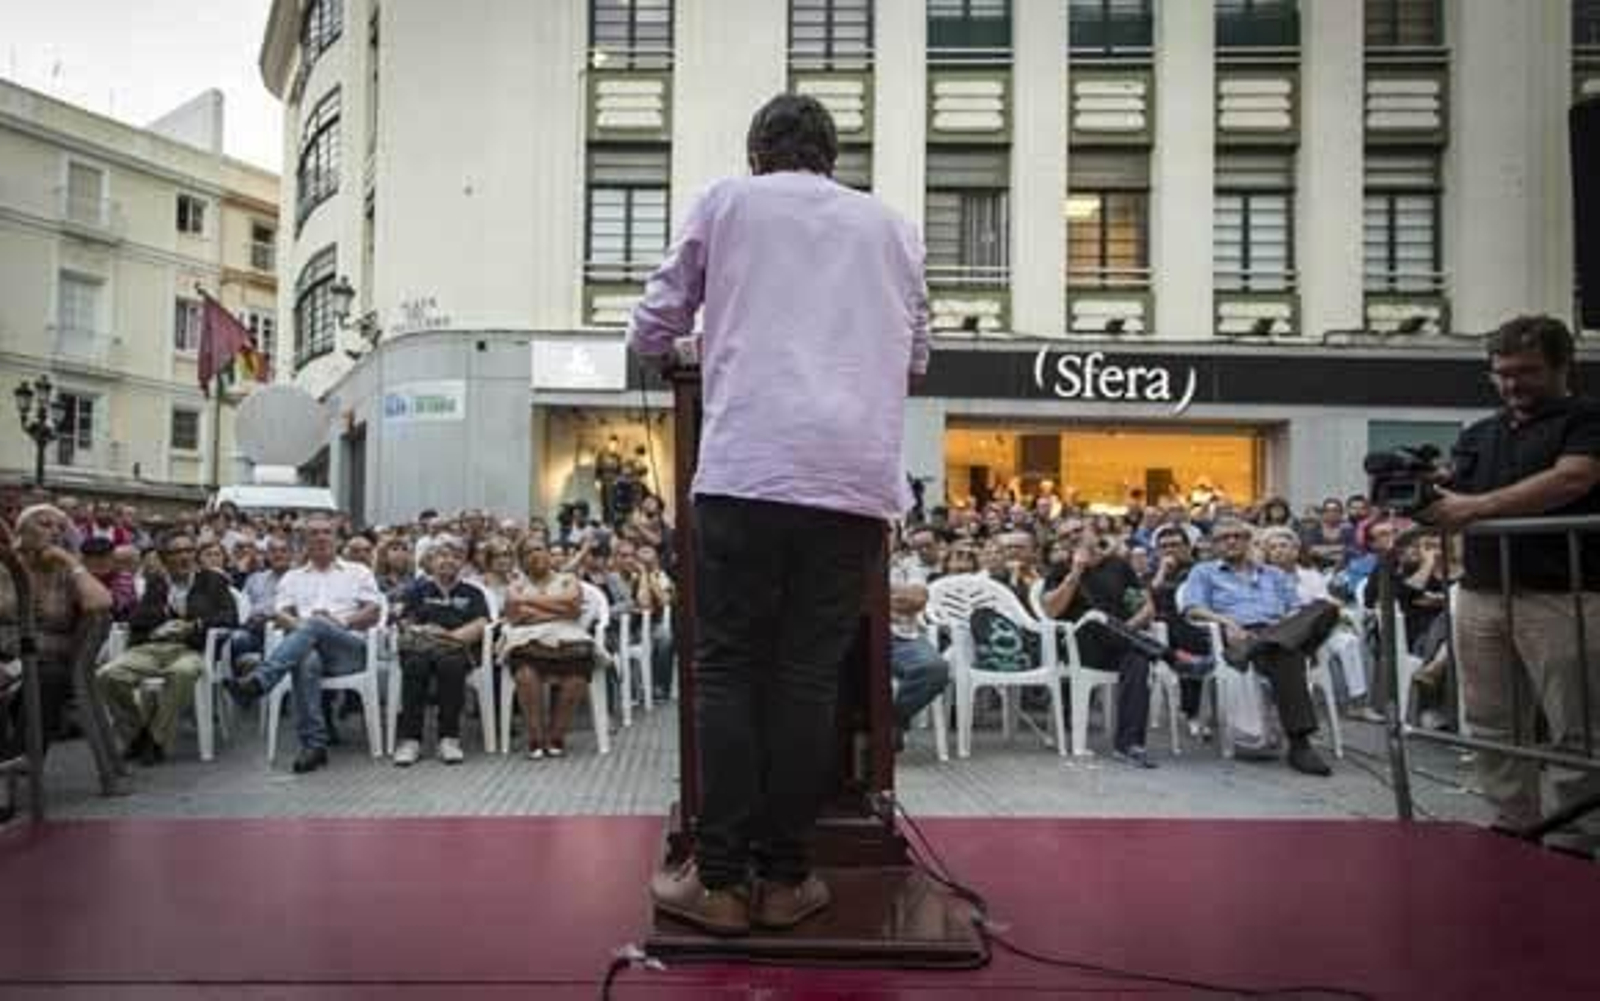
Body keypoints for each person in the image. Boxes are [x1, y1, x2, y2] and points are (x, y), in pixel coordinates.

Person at [630, 93, 926, 935]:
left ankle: (719, 883)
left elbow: (654, 322)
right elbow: (917, 352)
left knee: (727, 669)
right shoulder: (893, 227)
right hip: (850, 484)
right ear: (831, 157)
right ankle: (788, 878)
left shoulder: (727, 202)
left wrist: (675, 349)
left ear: (758, 153)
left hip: (747, 470)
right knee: (806, 675)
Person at [1420, 315, 1600, 842]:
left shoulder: (1587, 419)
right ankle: (1513, 824)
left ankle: (1576, 836)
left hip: (1565, 594)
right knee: (1492, 722)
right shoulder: (1481, 433)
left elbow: (1575, 477)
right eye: (1500, 373)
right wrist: (1423, 493)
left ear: (1563, 366)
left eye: (1526, 371)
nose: (1511, 384)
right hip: (1482, 594)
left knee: (1578, 728)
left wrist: (1476, 508)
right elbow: (1450, 494)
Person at [1179, 517, 1339, 777]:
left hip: (1278, 631)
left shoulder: (1273, 573)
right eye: (1223, 538)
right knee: (1286, 654)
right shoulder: (1204, 572)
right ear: (1214, 545)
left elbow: (1295, 608)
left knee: (1325, 608)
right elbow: (1192, 608)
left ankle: (1261, 646)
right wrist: (1226, 622)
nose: (1231, 541)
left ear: (1248, 541)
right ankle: (1300, 745)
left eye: (1237, 536)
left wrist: (1287, 626)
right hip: (1244, 633)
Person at [224, 515, 382, 774]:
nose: (321, 538)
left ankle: (260, 681)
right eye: (314, 534)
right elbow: (281, 614)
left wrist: (335, 624)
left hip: (349, 651)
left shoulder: (358, 572)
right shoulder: (292, 577)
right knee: (306, 659)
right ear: (303, 542)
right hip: (307, 649)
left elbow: (373, 612)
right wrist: (308, 628)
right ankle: (314, 746)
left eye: (326, 533)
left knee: (317, 623)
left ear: (336, 538)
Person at [95, 530, 235, 764]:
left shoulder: (213, 581)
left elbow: (230, 617)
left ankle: (156, 739)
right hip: (151, 649)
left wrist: (193, 626)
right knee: (107, 675)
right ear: (164, 558)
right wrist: (157, 628)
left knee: (181, 672)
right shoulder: (157, 583)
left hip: (191, 650)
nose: (184, 557)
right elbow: (136, 620)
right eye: (176, 552)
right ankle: (137, 732)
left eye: (189, 551)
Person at [1039, 529, 1159, 768]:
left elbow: (1147, 609)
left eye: (1077, 531)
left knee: (1139, 660)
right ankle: (1169, 655)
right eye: (1066, 535)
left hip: (1121, 643)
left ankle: (1129, 745)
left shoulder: (1118, 566)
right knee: (1093, 620)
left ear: (1094, 535)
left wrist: (1124, 629)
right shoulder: (1061, 569)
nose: (1072, 536)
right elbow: (1051, 611)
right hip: (1082, 646)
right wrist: (1075, 572)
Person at [4, 506, 112, 754]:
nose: (54, 532)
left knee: (48, 678)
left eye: (61, 529)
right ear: (22, 531)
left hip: (46, 660)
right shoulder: (6, 568)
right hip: (7, 655)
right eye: (45, 525)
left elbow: (102, 602)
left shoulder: (65, 572)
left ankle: (21, 761)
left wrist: (69, 560)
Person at [391, 535, 490, 766]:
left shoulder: (473, 592)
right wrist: (427, 633)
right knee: (415, 665)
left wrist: (449, 637)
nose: (448, 561)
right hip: (422, 647)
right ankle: (411, 740)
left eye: (455, 556)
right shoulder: (417, 591)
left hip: (456, 648)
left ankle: (449, 738)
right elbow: (405, 622)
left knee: (451, 665)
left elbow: (481, 623)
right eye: (442, 555)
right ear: (431, 561)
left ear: (462, 562)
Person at [501, 536, 592, 759]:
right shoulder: (516, 584)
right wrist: (558, 608)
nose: (535, 555)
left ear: (549, 553)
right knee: (525, 675)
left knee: (578, 676)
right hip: (529, 645)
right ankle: (536, 736)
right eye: (528, 552)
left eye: (539, 549)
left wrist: (530, 603)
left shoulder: (568, 579)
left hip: (568, 644)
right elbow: (514, 614)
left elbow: (574, 608)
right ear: (522, 560)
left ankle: (556, 735)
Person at [888, 535, 951, 748]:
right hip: (853, 634)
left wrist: (876, 595)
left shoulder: (908, 567)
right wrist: (895, 596)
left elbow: (916, 601)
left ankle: (891, 721)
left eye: (888, 533)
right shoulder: (846, 561)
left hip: (901, 637)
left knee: (935, 669)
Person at [231, 537, 292, 673]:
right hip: (256, 633)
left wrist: (270, 616)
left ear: (291, 555)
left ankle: (264, 666)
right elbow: (243, 609)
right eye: (273, 551)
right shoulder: (255, 579)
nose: (278, 555)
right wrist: (252, 618)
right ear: (267, 555)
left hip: (287, 633)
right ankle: (241, 689)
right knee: (236, 639)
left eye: (283, 551)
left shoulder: (299, 578)